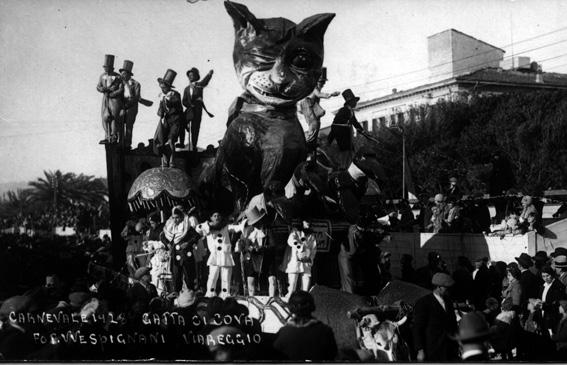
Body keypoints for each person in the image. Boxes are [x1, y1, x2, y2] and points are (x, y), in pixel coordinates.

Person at [273, 291, 338, 361]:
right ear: (312, 306)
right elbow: (332, 355)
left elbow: (276, 355)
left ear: (291, 308)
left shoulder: (283, 332)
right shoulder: (325, 331)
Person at [195, 211, 246, 298]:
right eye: (214, 216)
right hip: (214, 256)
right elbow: (198, 228)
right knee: (213, 276)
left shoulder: (226, 226)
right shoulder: (207, 227)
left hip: (225, 255)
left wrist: (245, 222)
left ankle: (225, 295)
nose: (217, 217)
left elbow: (238, 228)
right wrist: (208, 225)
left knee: (226, 277)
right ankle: (210, 294)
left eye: (218, 215)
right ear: (211, 218)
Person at [412, 272, 459, 361]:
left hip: (450, 349)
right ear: (439, 288)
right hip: (433, 349)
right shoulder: (423, 303)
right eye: (447, 288)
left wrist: (458, 342)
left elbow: (453, 324)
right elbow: (418, 328)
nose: (449, 290)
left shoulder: (448, 302)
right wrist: (420, 350)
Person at [298, 67, 340, 152]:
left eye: (323, 82)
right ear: (317, 81)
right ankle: (309, 142)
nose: (323, 84)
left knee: (317, 123)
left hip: (311, 106)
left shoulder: (316, 88)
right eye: (321, 82)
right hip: (306, 104)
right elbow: (319, 94)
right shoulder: (314, 88)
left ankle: (313, 141)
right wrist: (331, 95)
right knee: (314, 123)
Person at [162, 206, 201, 296]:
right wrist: (167, 244)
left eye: (177, 217)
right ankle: (177, 296)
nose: (175, 220)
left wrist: (188, 243)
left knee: (189, 277)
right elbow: (162, 236)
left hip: (185, 256)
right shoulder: (170, 228)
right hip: (175, 256)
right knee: (176, 277)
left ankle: (191, 296)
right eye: (174, 218)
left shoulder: (186, 227)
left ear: (181, 217)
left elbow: (196, 236)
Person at [326, 89, 366, 169]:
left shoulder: (350, 111)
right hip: (341, 135)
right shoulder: (343, 110)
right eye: (354, 101)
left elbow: (355, 122)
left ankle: (349, 167)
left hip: (347, 135)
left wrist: (363, 131)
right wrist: (330, 139)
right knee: (346, 152)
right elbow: (335, 125)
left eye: (355, 101)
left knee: (351, 151)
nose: (355, 103)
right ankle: (343, 168)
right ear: (350, 102)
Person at [153, 69, 184, 168]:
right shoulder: (163, 96)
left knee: (171, 141)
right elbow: (160, 111)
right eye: (161, 87)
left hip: (175, 121)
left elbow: (177, 104)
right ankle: (164, 162)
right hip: (166, 121)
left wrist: (168, 100)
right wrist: (161, 110)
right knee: (162, 141)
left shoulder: (175, 94)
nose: (162, 89)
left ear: (168, 87)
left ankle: (172, 161)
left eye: (163, 87)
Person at [180, 67, 214, 151]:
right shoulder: (186, 89)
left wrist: (209, 74)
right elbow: (184, 101)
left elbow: (205, 81)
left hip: (197, 110)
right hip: (189, 110)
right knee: (181, 122)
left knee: (195, 128)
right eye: (189, 75)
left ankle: (194, 146)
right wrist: (189, 105)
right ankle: (181, 143)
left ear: (196, 76)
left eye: (192, 75)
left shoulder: (199, 85)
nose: (190, 77)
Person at [285, 219, 317, 300]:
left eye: (309, 222)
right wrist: (300, 248)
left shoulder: (311, 235)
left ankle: (304, 306)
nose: (308, 223)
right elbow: (291, 241)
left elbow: (314, 249)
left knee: (305, 289)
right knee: (292, 287)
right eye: (306, 221)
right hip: (295, 263)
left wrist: (310, 258)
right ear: (302, 222)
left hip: (306, 263)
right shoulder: (295, 232)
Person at [96, 54, 124, 144]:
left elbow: (121, 89)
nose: (105, 69)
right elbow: (98, 86)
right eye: (105, 67)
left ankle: (113, 136)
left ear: (111, 68)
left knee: (114, 117)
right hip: (105, 99)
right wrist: (102, 89)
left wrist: (113, 93)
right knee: (105, 117)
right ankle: (107, 135)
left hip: (114, 100)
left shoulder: (118, 77)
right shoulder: (102, 76)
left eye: (107, 67)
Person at [535, 265, 567, 337]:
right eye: (543, 276)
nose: (545, 278)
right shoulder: (543, 286)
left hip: (552, 319)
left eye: (547, 276)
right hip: (543, 317)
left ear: (552, 274)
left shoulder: (558, 286)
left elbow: (557, 305)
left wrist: (543, 306)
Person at [120, 60, 141, 150]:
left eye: (124, 74)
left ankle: (127, 144)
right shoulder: (119, 83)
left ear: (129, 74)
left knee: (129, 126)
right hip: (121, 105)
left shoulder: (136, 84)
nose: (122, 75)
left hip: (131, 107)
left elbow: (136, 97)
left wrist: (126, 105)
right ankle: (120, 143)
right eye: (122, 73)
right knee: (119, 124)